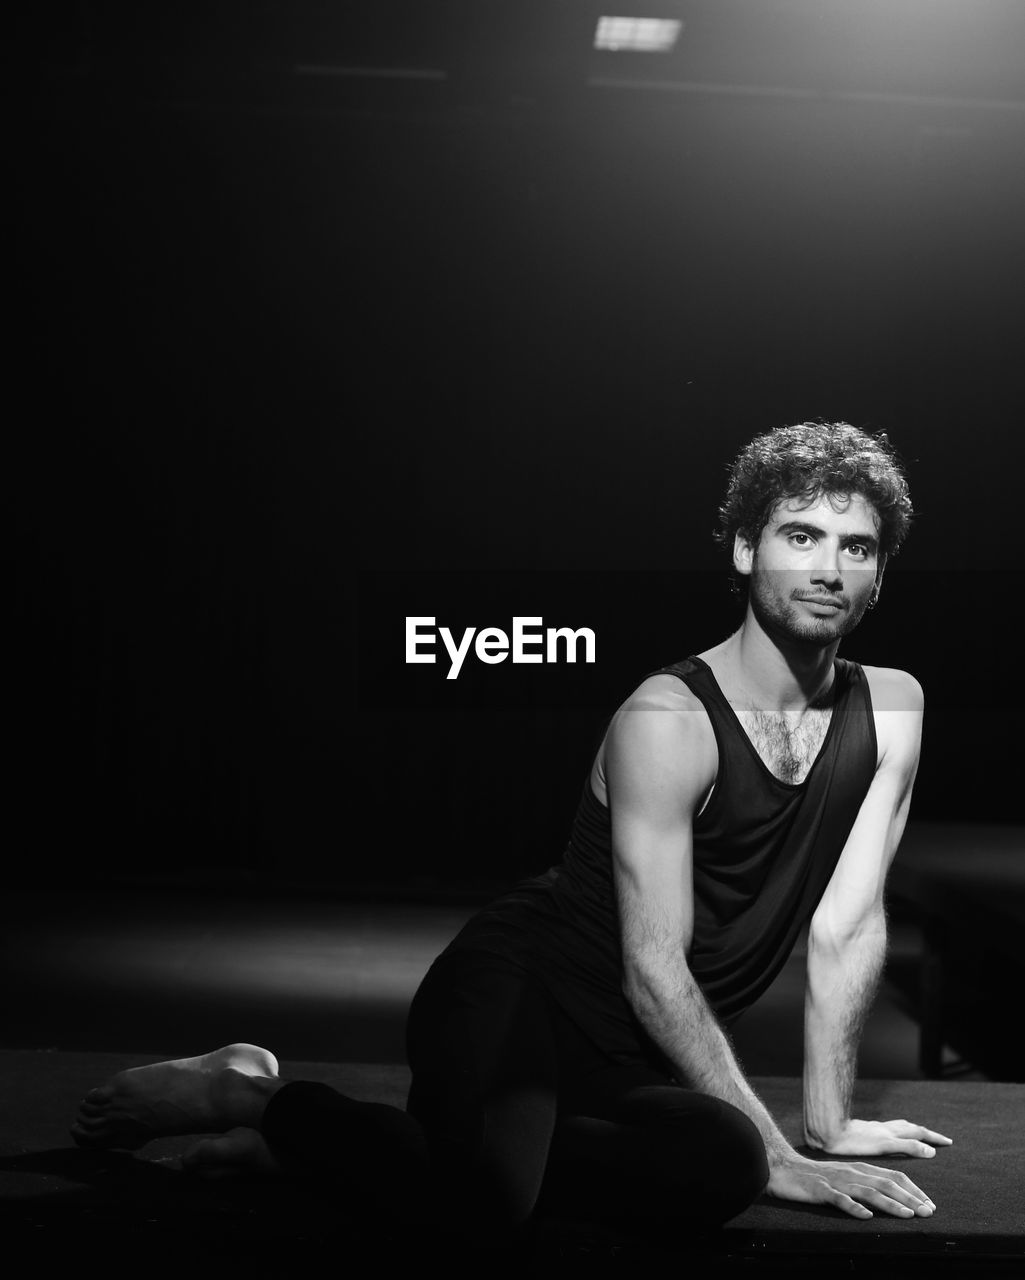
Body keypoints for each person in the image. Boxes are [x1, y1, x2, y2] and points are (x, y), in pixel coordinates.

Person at [71, 421, 951, 1241]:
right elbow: (653, 967)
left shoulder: (894, 706)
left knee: (720, 1165)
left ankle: (340, 1154)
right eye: (799, 536)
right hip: (521, 995)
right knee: (491, 1202)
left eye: (855, 547)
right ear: (743, 547)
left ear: (879, 575)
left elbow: (847, 926)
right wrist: (784, 1160)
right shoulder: (667, 717)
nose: (826, 568)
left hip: (635, 1050)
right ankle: (247, 1099)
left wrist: (826, 1126)